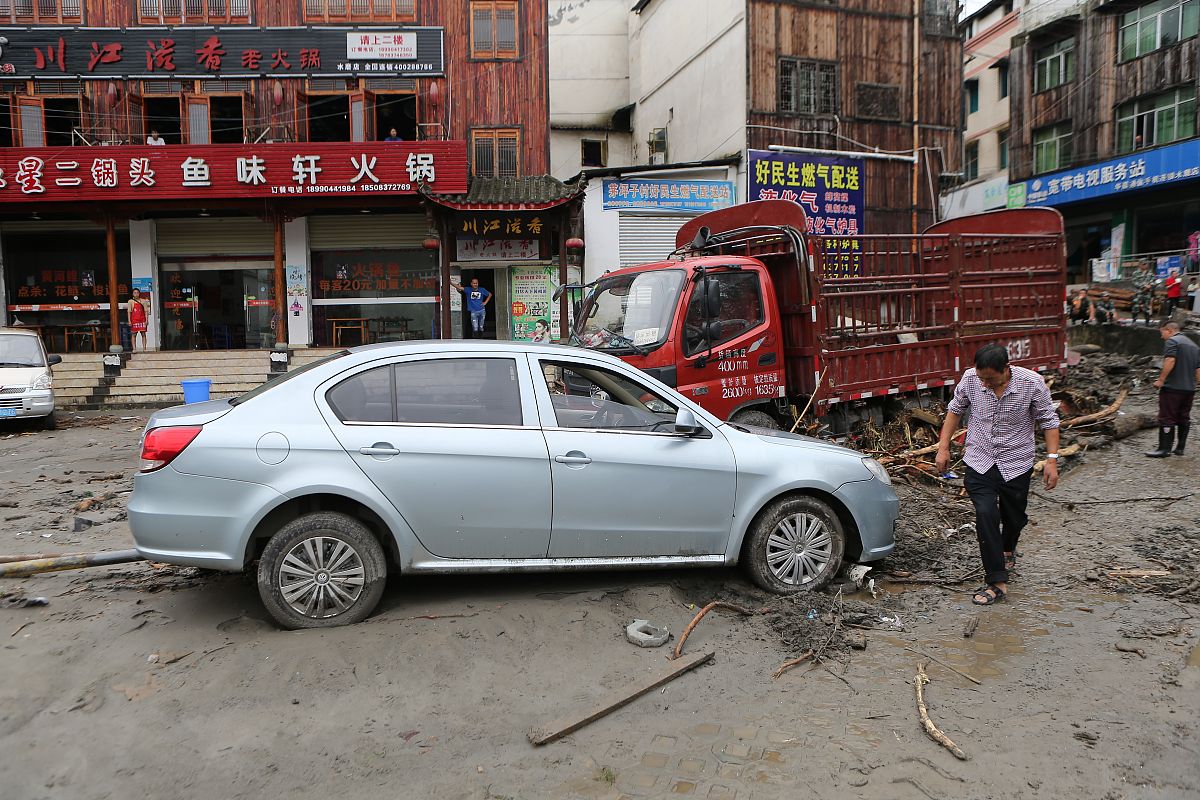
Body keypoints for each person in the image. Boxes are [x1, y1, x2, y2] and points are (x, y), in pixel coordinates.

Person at [935, 343, 1060, 607]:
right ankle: (997, 580)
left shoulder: (1032, 384)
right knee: (985, 514)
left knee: (1014, 517)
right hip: (979, 460)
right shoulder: (971, 380)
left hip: (1016, 461)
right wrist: (943, 448)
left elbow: (1049, 422)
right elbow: (955, 411)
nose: (986, 384)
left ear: (1006, 369)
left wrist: (1051, 460)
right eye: (982, 378)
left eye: (990, 379)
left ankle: (1008, 546)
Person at [1145, 320, 1199, 457]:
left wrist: (1161, 380)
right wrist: (1197, 384)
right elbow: (1198, 369)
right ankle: (1180, 448)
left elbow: (1170, 360)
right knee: (1183, 418)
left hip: (1173, 388)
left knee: (1167, 417)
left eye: (1161, 333)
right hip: (1189, 389)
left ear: (1169, 330)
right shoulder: (1193, 345)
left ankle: (1164, 449)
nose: (1161, 337)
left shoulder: (1173, 342)